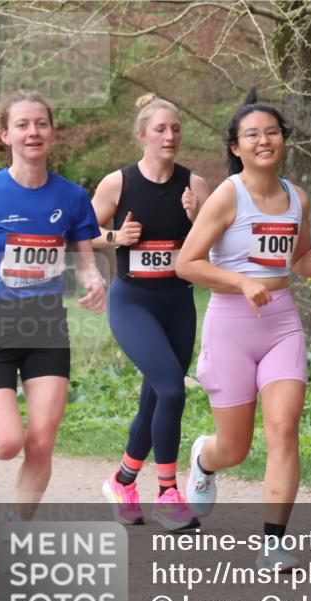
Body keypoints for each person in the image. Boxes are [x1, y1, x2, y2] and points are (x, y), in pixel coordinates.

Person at [176, 90, 311, 571]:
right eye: (252, 135)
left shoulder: (297, 197)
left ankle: (272, 543)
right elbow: (187, 264)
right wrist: (241, 282)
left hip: (281, 323)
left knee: (284, 430)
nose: (264, 140)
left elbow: (300, 259)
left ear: (283, 140)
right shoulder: (228, 196)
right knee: (235, 448)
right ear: (236, 147)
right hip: (230, 325)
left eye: (272, 132)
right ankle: (205, 459)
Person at [0, 90, 106, 515]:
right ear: (6, 135)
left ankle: (18, 534)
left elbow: (85, 259)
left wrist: (93, 280)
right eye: (22, 125)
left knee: (41, 441)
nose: (33, 132)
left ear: (52, 132)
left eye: (41, 123)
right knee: (9, 442)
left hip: (46, 323)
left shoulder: (72, 197)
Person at [90, 94, 211, 531]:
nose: (169, 136)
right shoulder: (117, 183)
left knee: (157, 396)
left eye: (175, 129)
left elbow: (215, 245)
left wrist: (198, 218)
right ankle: (167, 493)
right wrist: (116, 238)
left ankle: (123, 481)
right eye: (160, 129)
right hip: (133, 302)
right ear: (141, 135)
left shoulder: (195, 185)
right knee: (173, 390)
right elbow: (80, 233)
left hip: (178, 303)